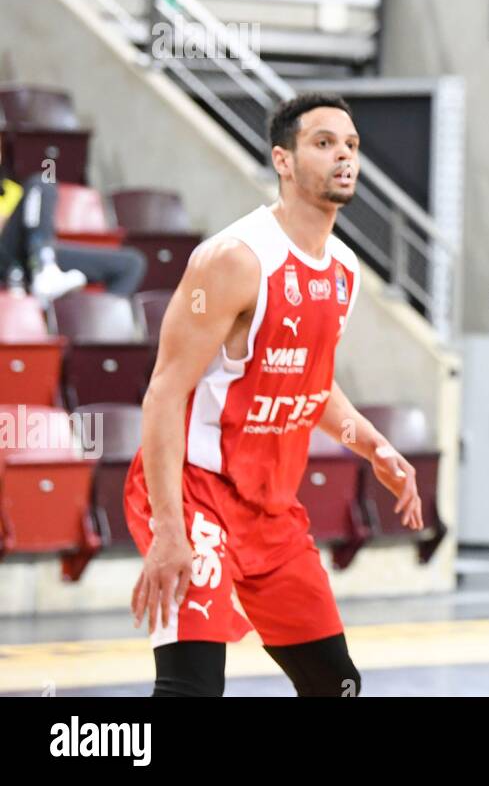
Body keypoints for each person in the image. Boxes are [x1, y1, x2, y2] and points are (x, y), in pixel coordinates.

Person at [126, 93, 423, 697]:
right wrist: (169, 529)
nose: (343, 155)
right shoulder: (234, 261)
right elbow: (163, 394)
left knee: (336, 684)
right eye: (323, 143)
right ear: (282, 161)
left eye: (351, 145)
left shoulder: (344, 269)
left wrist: (373, 446)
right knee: (192, 687)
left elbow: (311, 383)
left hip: (271, 509)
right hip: (196, 493)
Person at [0, 138, 145, 301]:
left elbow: (33, 223)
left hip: (28, 253)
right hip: (7, 258)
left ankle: (98, 322)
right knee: (40, 184)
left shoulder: (14, 190)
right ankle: (44, 267)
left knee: (131, 264)